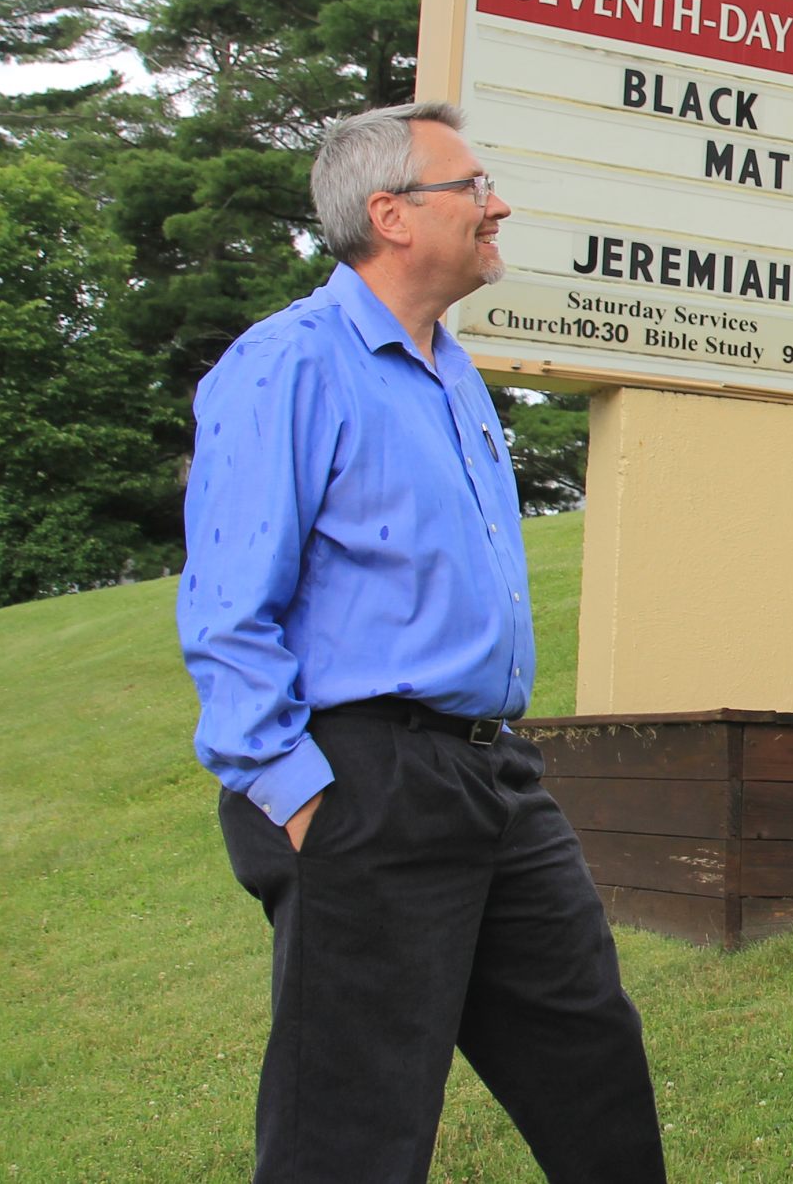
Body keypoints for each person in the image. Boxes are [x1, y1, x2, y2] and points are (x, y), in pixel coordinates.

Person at [180, 101, 667, 1183]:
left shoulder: (453, 372)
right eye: (474, 187)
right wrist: (304, 801)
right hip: (367, 779)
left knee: (589, 1059)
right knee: (352, 1123)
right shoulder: (288, 366)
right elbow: (227, 609)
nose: (499, 205)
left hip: (494, 773)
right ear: (391, 215)